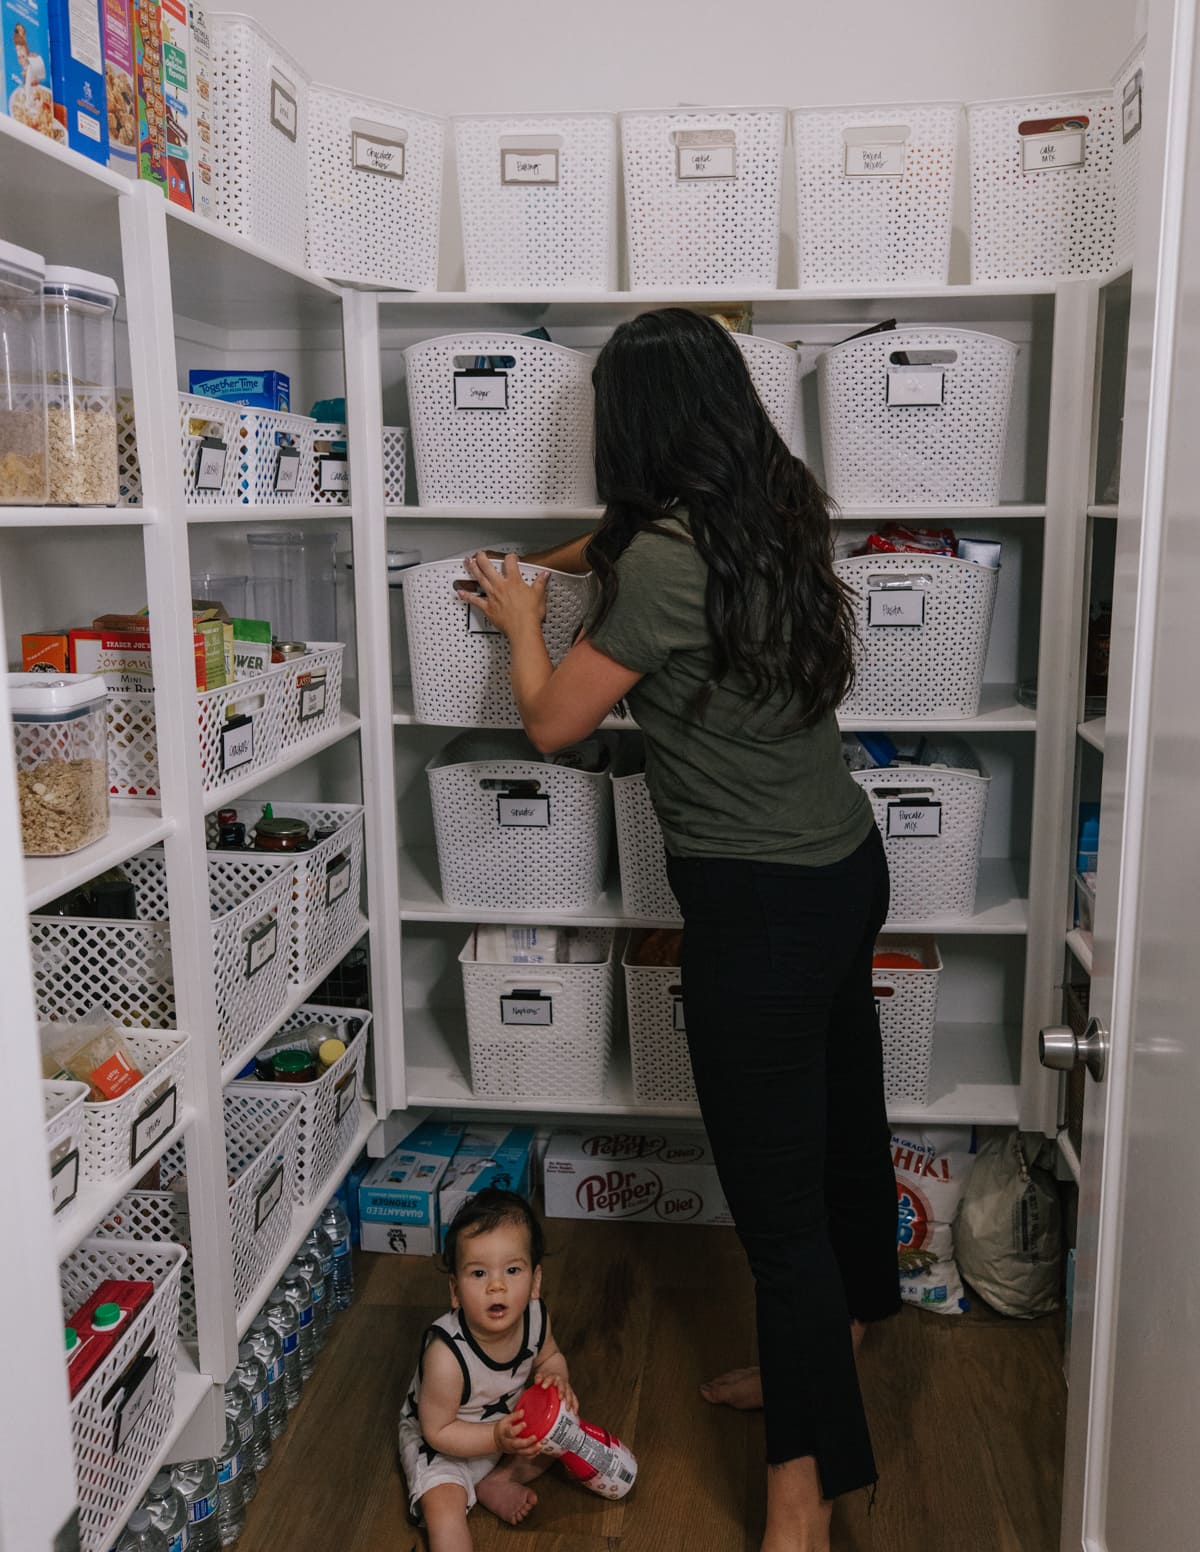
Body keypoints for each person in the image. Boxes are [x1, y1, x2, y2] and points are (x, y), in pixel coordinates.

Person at [458, 307, 899, 1552]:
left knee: (779, 1218)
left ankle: (801, 1501)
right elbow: (615, 545)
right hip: (843, 866)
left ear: (634, 426)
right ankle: (834, 1351)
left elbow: (553, 723)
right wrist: (540, 562)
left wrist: (520, 621)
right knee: (845, 1128)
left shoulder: (659, 561)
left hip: (754, 908)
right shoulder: (773, 503)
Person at [398, 1189, 577, 1551]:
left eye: (512, 1270)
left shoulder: (536, 1318)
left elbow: (549, 1356)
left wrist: (558, 1377)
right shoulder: (446, 1356)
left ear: (535, 1281)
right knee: (444, 1510)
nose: (497, 1285)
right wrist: (495, 1438)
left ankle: (497, 1481)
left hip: (504, 1429)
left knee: (561, 1434)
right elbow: (437, 1430)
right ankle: (469, 1495)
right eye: (479, 1273)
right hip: (444, 1444)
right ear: (455, 1290)